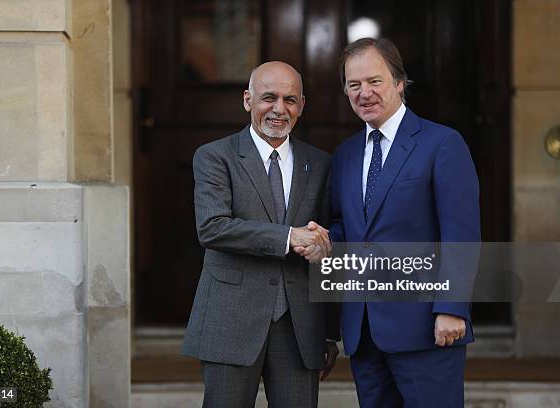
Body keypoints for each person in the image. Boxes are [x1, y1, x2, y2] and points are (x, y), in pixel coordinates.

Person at [329, 38, 480, 407]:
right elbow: (344, 229)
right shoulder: (345, 155)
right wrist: (319, 239)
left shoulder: (442, 143)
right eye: (354, 84)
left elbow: (461, 234)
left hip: (427, 328)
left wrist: (452, 307)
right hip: (364, 331)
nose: (364, 93)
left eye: (374, 81)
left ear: (399, 82)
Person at [182, 61, 340, 408]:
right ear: (247, 100)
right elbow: (212, 227)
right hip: (230, 321)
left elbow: (327, 244)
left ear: (302, 105)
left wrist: (329, 331)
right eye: (268, 98)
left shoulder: (322, 163)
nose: (279, 109)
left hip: (299, 327)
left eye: (290, 99)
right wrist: (288, 237)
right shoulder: (215, 156)